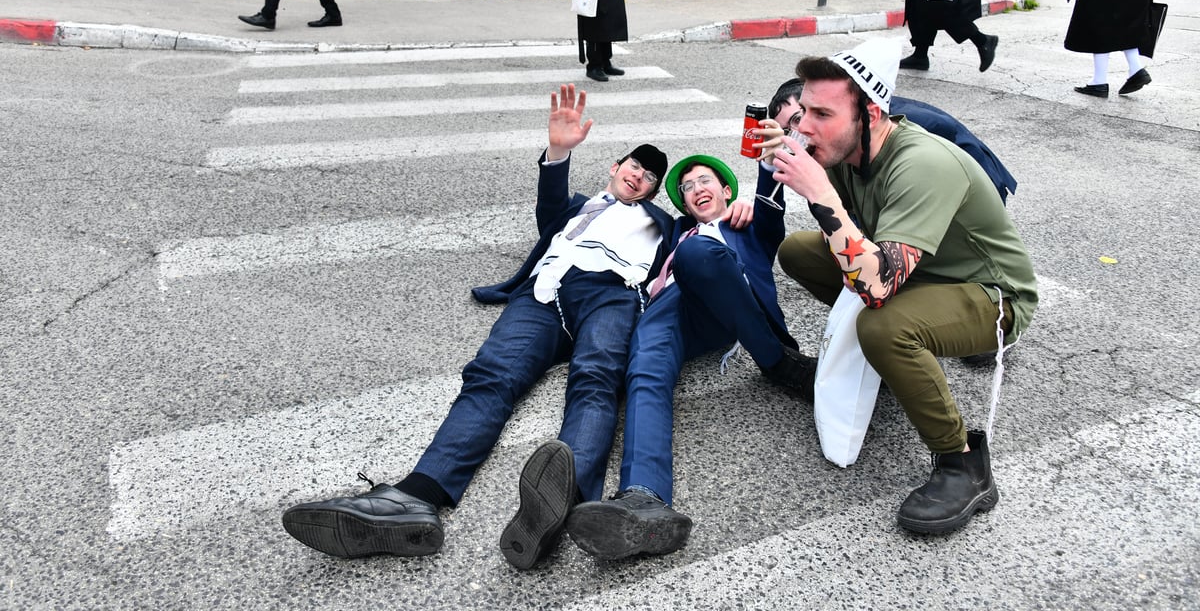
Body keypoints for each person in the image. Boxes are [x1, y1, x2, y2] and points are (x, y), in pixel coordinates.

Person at [281, 84, 678, 570]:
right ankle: (414, 498)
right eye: (634, 165)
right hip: (543, 293)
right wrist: (557, 151)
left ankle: (564, 505)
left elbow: (705, 232)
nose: (640, 177)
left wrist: (731, 209)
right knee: (490, 377)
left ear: (655, 193)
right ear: (616, 168)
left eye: (650, 177)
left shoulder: (660, 224)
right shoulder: (577, 206)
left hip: (612, 295)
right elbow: (548, 212)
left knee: (596, 381)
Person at [766, 38, 1037, 535]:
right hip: (915, 270)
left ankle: (962, 465)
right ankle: (902, 367)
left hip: (990, 294)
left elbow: (874, 286)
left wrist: (821, 192)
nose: (803, 126)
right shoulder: (848, 154)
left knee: (883, 324)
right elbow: (849, 242)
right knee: (798, 252)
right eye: (803, 111)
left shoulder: (921, 162)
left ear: (870, 114)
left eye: (822, 114)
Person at [564, 153, 817, 561]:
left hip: (726, 299)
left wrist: (763, 179)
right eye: (686, 188)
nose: (696, 188)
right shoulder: (676, 231)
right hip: (667, 308)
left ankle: (776, 361)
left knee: (697, 253)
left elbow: (772, 190)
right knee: (643, 372)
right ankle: (643, 500)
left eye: (705, 181)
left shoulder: (750, 225)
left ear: (726, 191)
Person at [768, 74, 1017, 205]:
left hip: (977, 187)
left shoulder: (890, 123)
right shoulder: (842, 128)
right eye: (786, 131)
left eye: (798, 117)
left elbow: (944, 131)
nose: (799, 132)